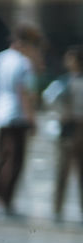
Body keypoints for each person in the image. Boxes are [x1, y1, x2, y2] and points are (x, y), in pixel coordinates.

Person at [0, 23, 44, 217]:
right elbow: (24, 93)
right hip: (18, 115)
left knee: (1, 157)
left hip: (0, 113)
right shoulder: (24, 64)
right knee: (15, 161)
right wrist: (32, 119)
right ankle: (5, 200)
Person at [46, 45, 83, 221]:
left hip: (74, 127)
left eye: (70, 58)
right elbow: (50, 100)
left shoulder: (68, 81)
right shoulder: (64, 81)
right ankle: (57, 208)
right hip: (68, 128)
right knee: (62, 169)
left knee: (74, 170)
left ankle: (61, 208)